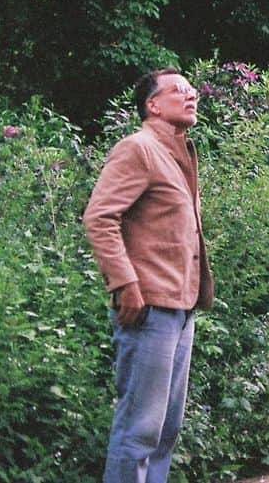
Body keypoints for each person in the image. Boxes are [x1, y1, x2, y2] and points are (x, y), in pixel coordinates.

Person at [83, 68, 214, 482]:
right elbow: (99, 217)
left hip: (181, 306)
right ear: (151, 105)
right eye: (178, 90)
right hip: (148, 309)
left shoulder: (180, 152)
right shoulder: (137, 148)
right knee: (139, 428)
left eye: (192, 89)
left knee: (165, 430)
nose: (190, 95)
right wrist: (125, 283)